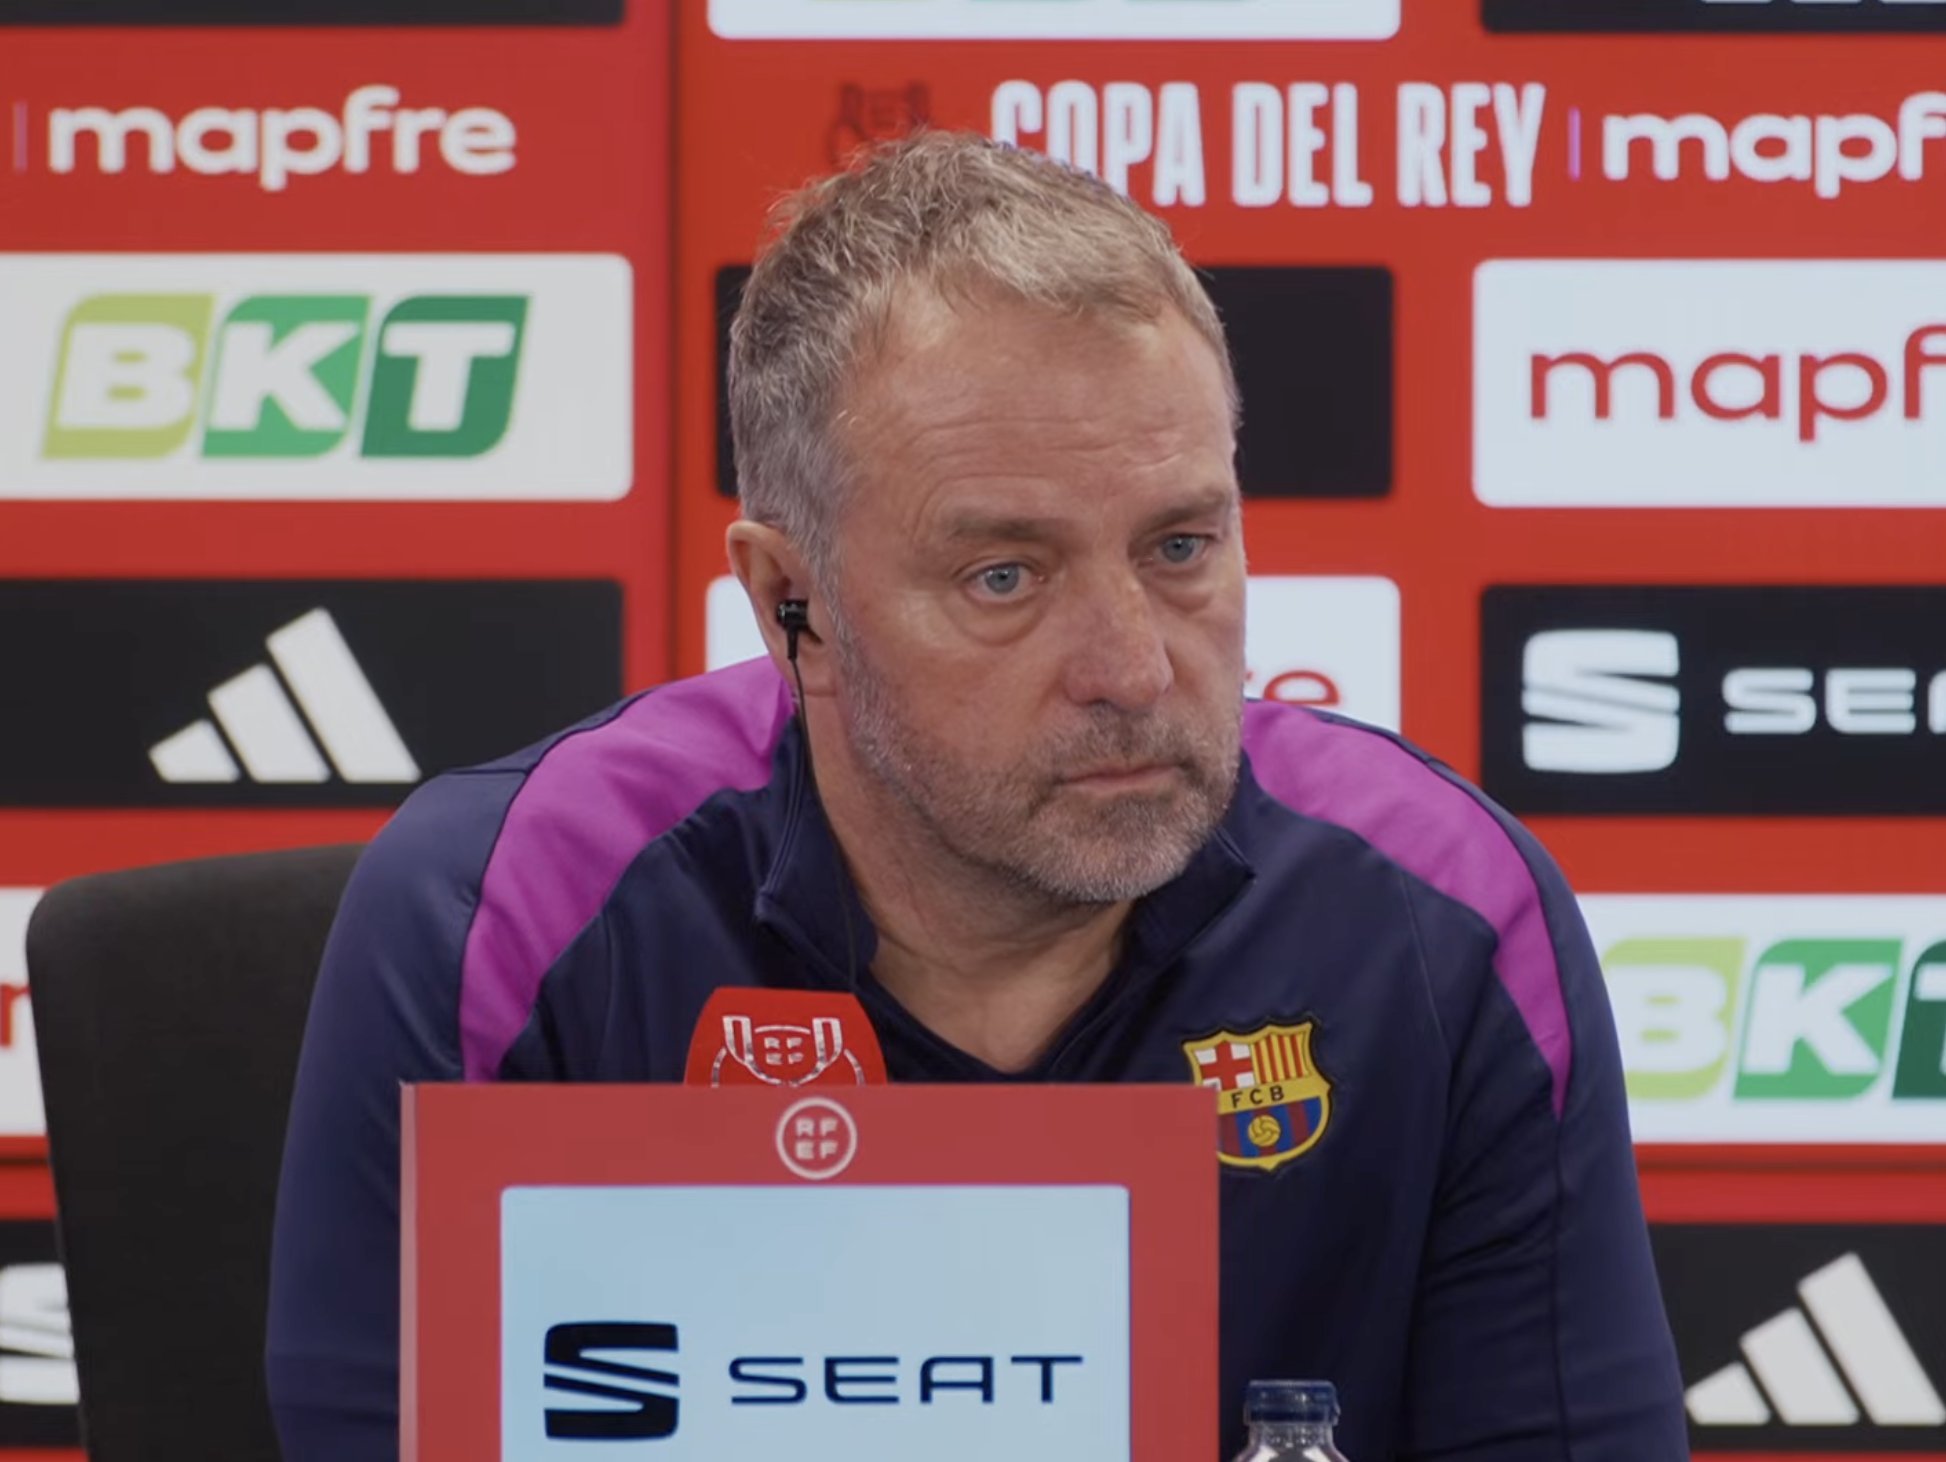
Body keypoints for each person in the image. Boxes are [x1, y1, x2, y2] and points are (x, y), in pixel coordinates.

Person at [265, 129, 1688, 1460]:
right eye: (1003, 576)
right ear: (791, 603)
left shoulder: (1446, 920)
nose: (1132, 668)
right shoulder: (504, 912)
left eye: (1180, 547)